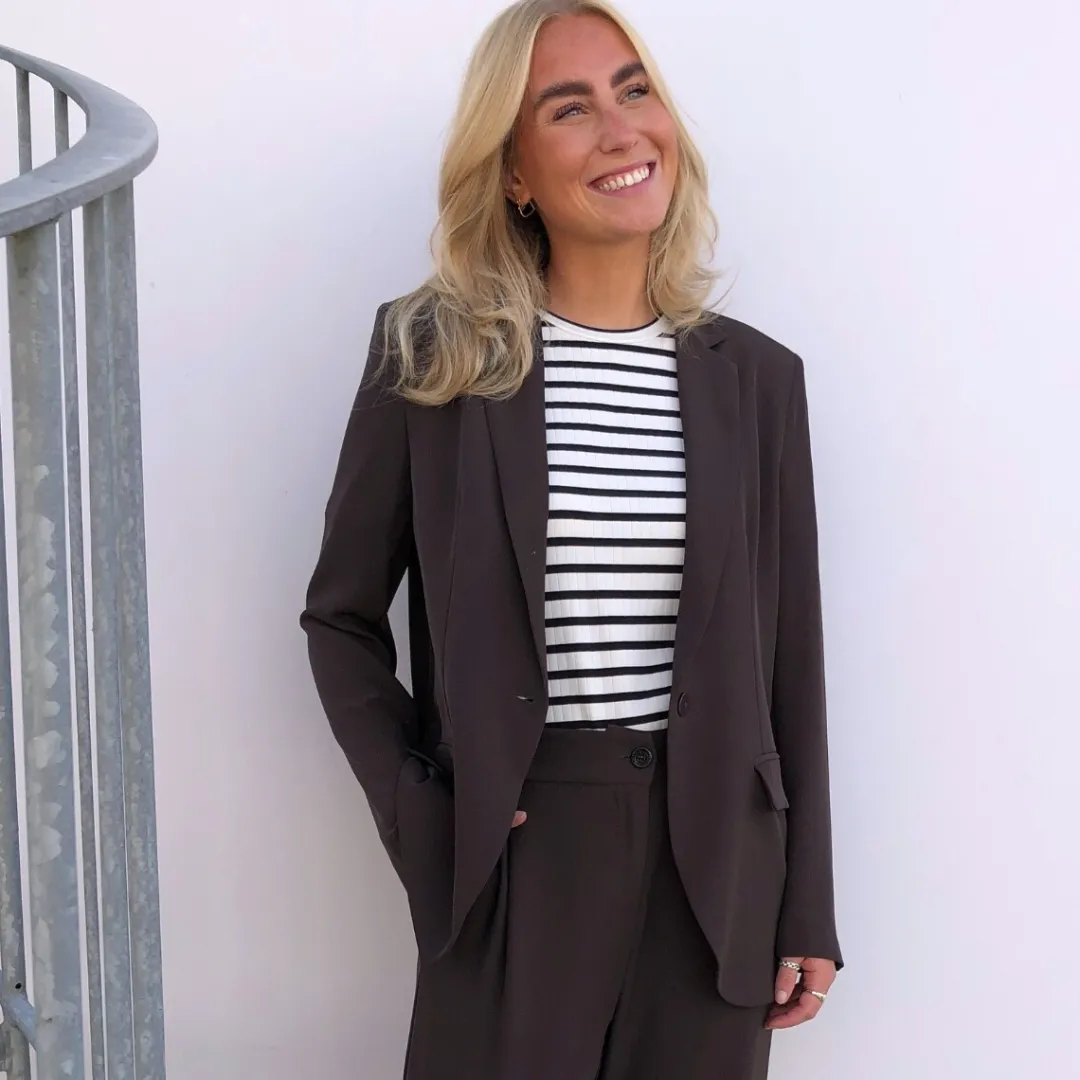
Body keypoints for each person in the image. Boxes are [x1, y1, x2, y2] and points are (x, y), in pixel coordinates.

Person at [300, 1, 842, 1077]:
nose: (620, 129)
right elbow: (340, 617)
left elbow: (792, 656)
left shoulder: (757, 381)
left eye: (634, 90)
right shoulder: (434, 357)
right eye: (570, 108)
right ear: (513, 172)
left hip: (716, 875)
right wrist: (422, 809)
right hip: (517, 853)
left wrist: (807, 902)